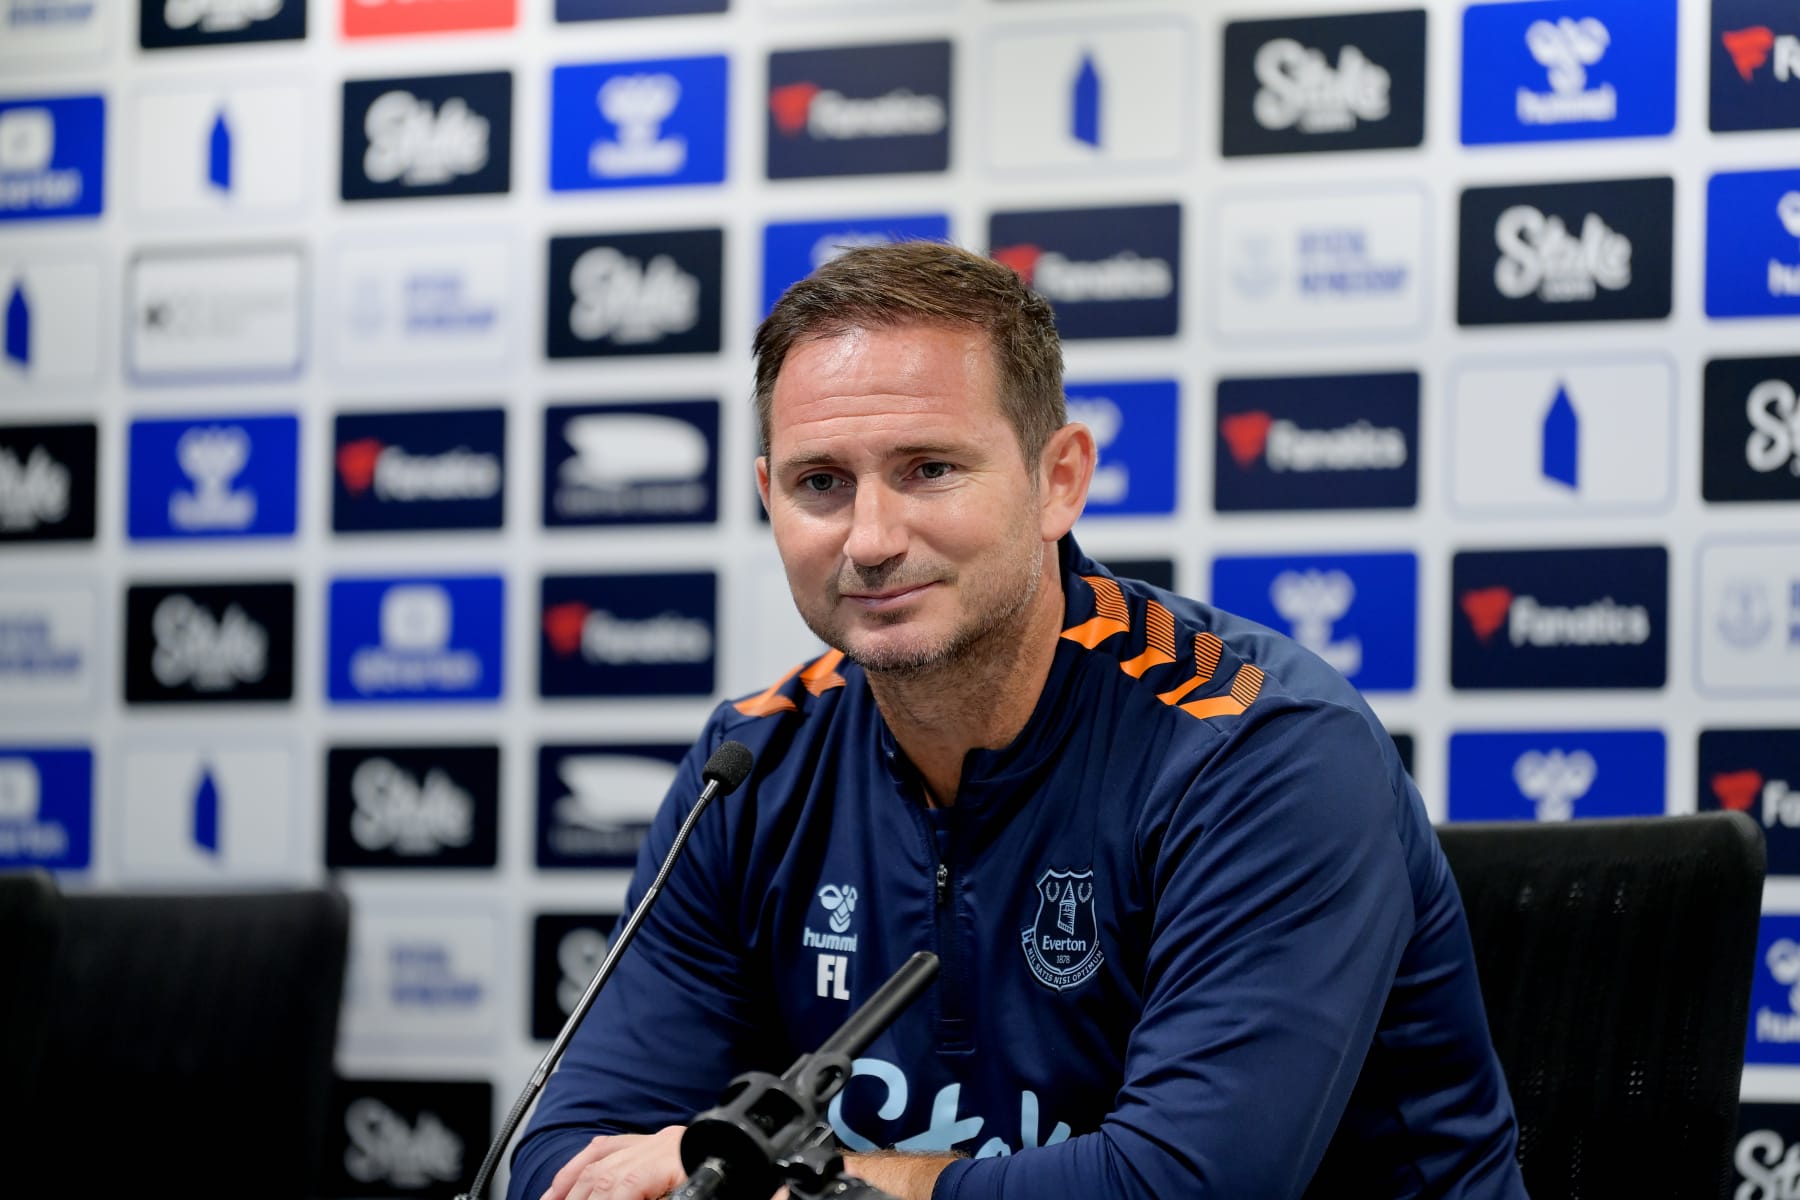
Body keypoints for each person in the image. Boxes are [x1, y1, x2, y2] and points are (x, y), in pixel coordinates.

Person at [508, 241, 1527, 1200]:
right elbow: (575, 1155)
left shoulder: (1258, 747)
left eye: (930, 470)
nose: (870, 538)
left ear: (1059, 480)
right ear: (768, 497)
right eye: (823, 484)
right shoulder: (754, 762)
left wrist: (826, 1182)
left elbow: (1184, 1188)